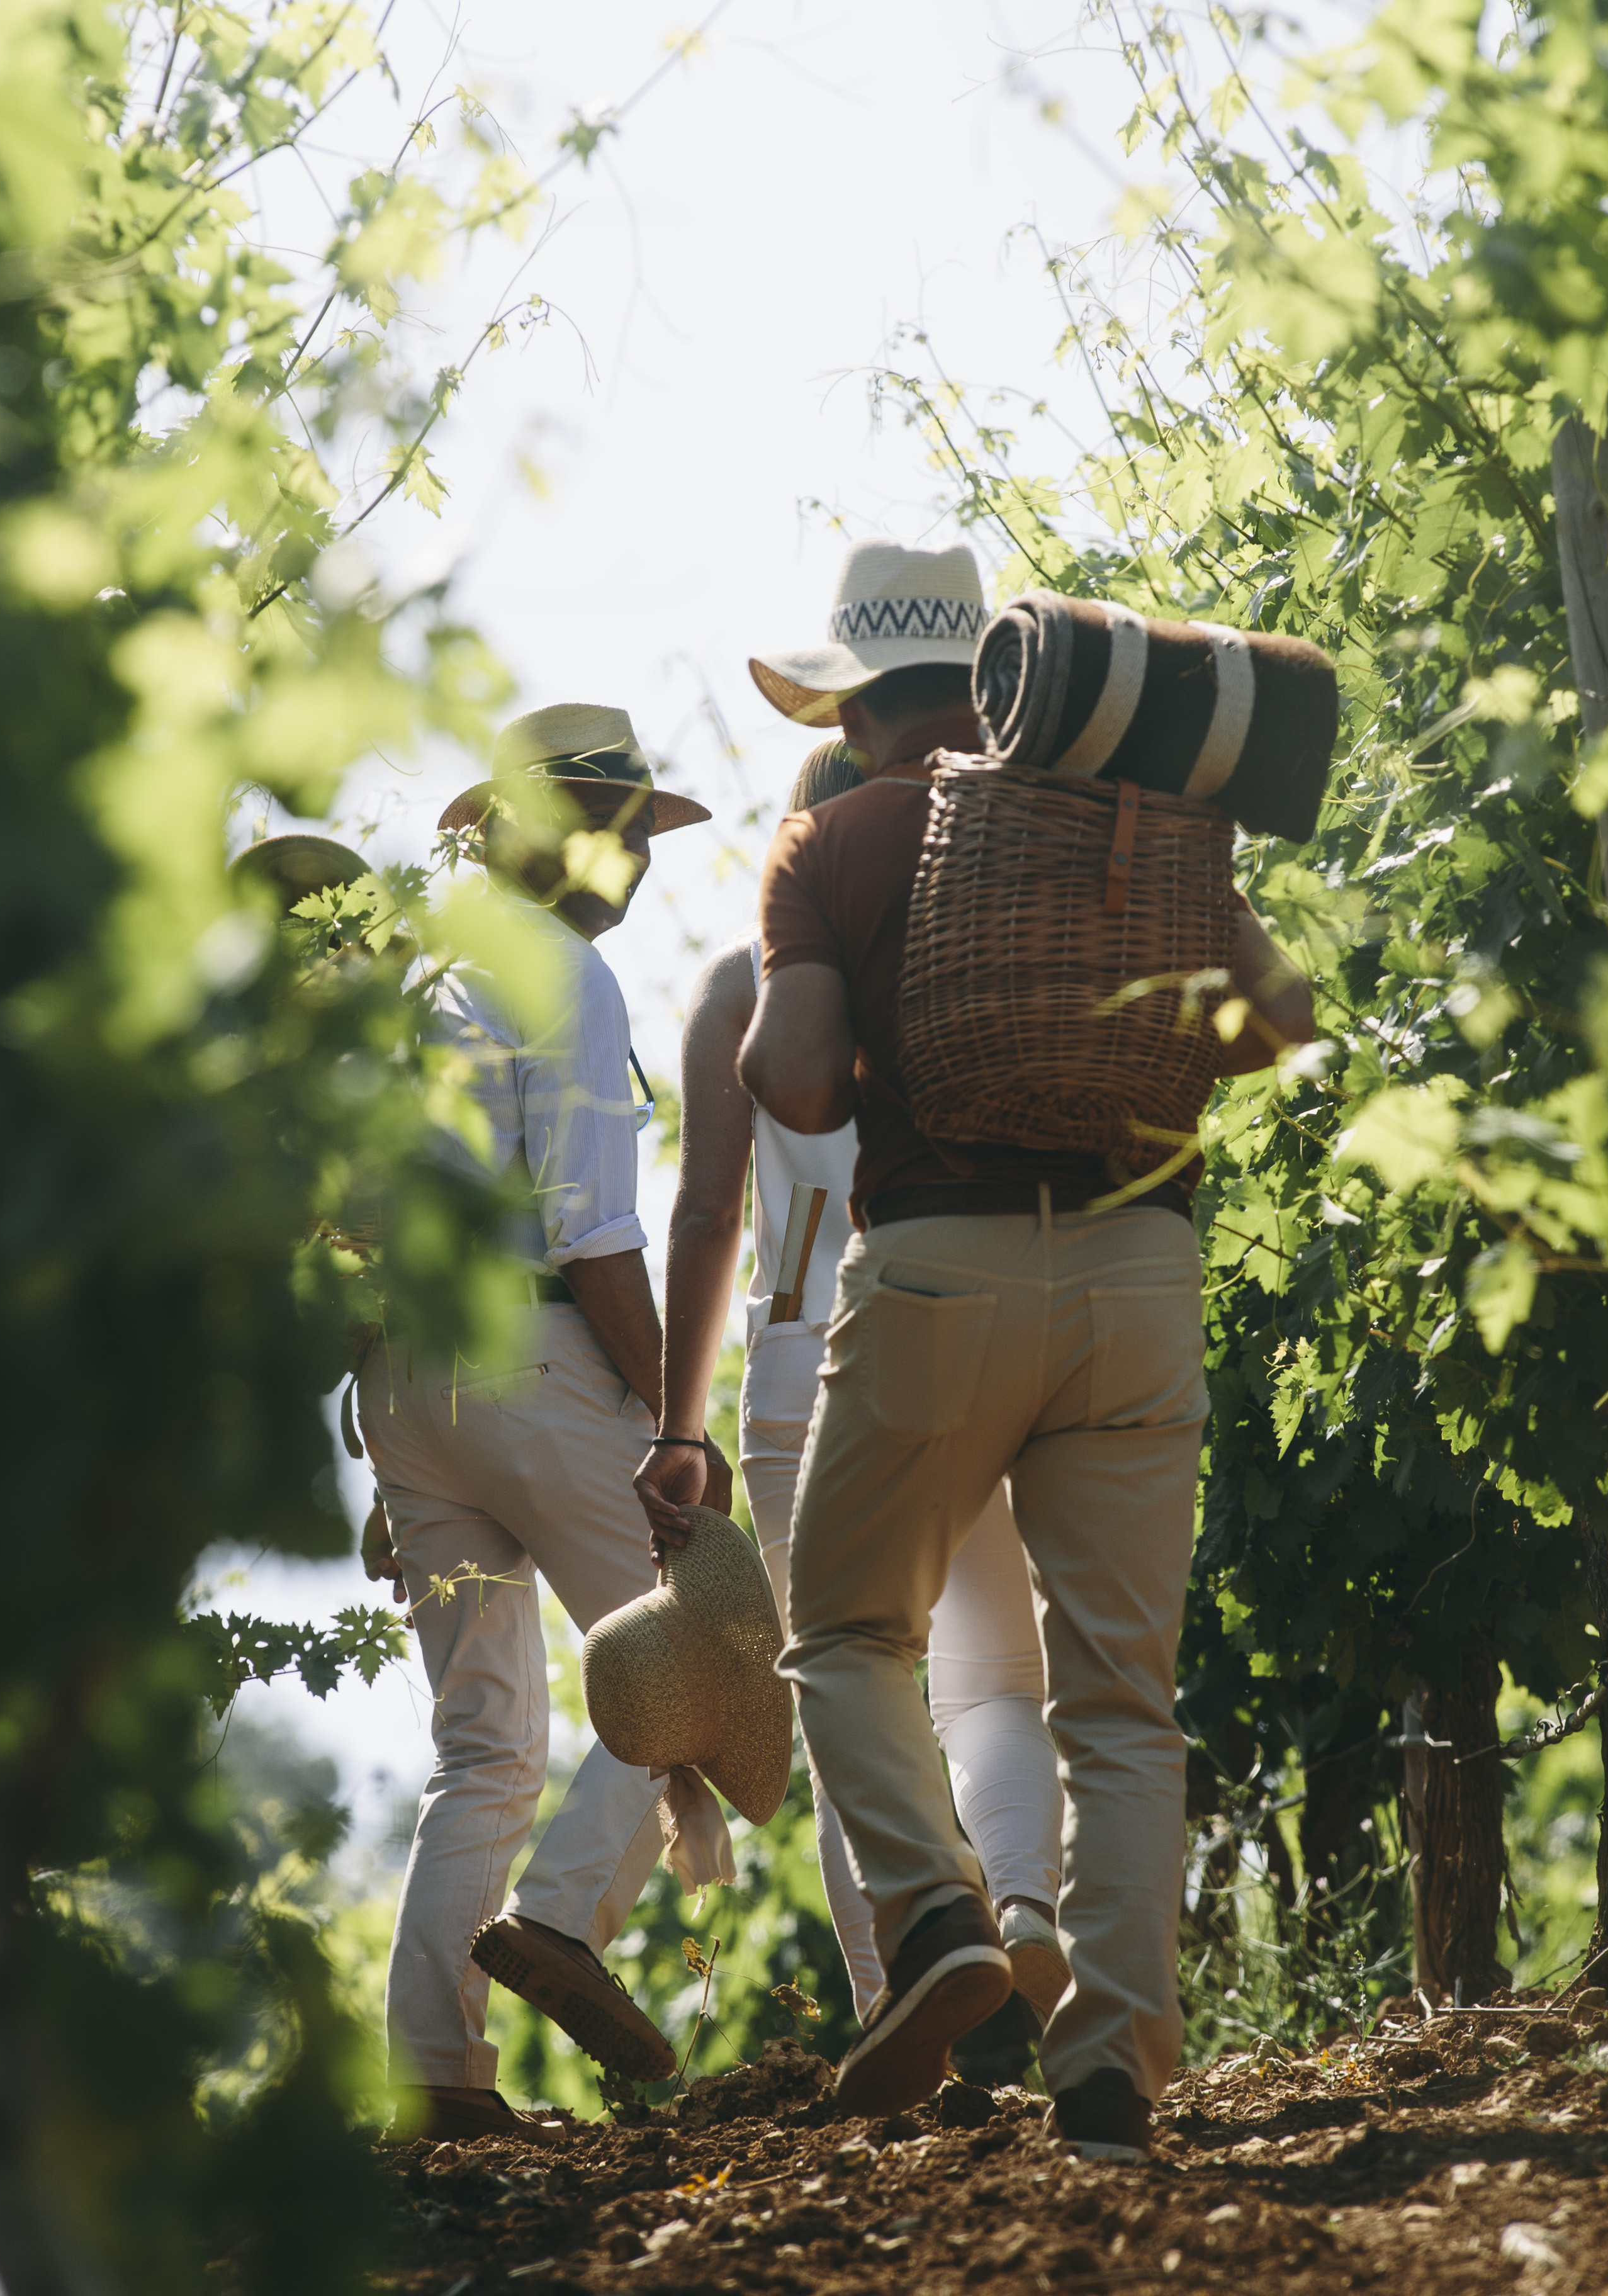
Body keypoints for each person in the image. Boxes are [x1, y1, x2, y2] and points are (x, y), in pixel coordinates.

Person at [736, 540, 1320, 2157]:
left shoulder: (832, 842)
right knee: (1120, 1699)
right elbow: (1285, 1020)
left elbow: (792, 1085)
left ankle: (935, 1924)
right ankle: (1115, 2066)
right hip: (1140, 1265)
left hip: (937, 1269)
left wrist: (869, 1034)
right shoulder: (1115, 818)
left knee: (847, 1630)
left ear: (856, 703)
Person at [633, 736, 1069, 2071]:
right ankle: (1028, 1904)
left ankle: (911, 2003)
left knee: (846, 1700)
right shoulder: (956, 966)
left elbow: (709, 1215)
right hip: (967, 1331)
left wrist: (679, 1426)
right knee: (996, 1682)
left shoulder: (732, 988)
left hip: (793, 1371)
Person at [359, 702, 712, 2144]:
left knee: (485, 1745)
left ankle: (434, 2074)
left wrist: (396, 1452)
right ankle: (564, 1925)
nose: (638, 862)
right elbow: (594, 1235)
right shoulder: (565, 976)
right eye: (624, 832)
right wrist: (673, 1418)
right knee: (693, 1657)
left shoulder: (415, 984)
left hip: (404, 1381)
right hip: (536, 1352)